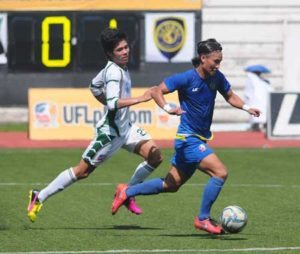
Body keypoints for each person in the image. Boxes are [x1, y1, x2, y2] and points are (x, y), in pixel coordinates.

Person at [111, 38, 260, 234]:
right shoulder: (186, 78)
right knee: (220, 173)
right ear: (203, 58)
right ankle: (203, 219)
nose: (218, 65)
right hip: (188, 139)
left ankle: (127, 190)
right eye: (215, 61)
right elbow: (156, 90)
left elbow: (230, 95)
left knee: (170, 185)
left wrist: (247, 108)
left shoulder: (217, 77)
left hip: (197, 139)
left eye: (220, 61)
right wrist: (167, 107)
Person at [27, 28, 162, 222]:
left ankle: (127, 192)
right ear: (110, 54)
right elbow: (113, 103)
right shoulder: (114, 73)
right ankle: (39, 197)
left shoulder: (114, 67)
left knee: (155, 156)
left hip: (126, 128)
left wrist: (108, 100)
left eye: (126, 47)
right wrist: (140, 99)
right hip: (109, 134)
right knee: (82, 172)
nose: (125, 52)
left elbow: (94, 86)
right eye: (119, 50)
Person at [244, 65, 273, 131]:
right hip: (254, 100)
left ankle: (265, 125)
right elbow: (248, 91)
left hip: (263, 100)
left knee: (264, 113)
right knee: (255, 113)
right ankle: (255, 126)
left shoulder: (263, 80)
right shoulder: (251, 79)